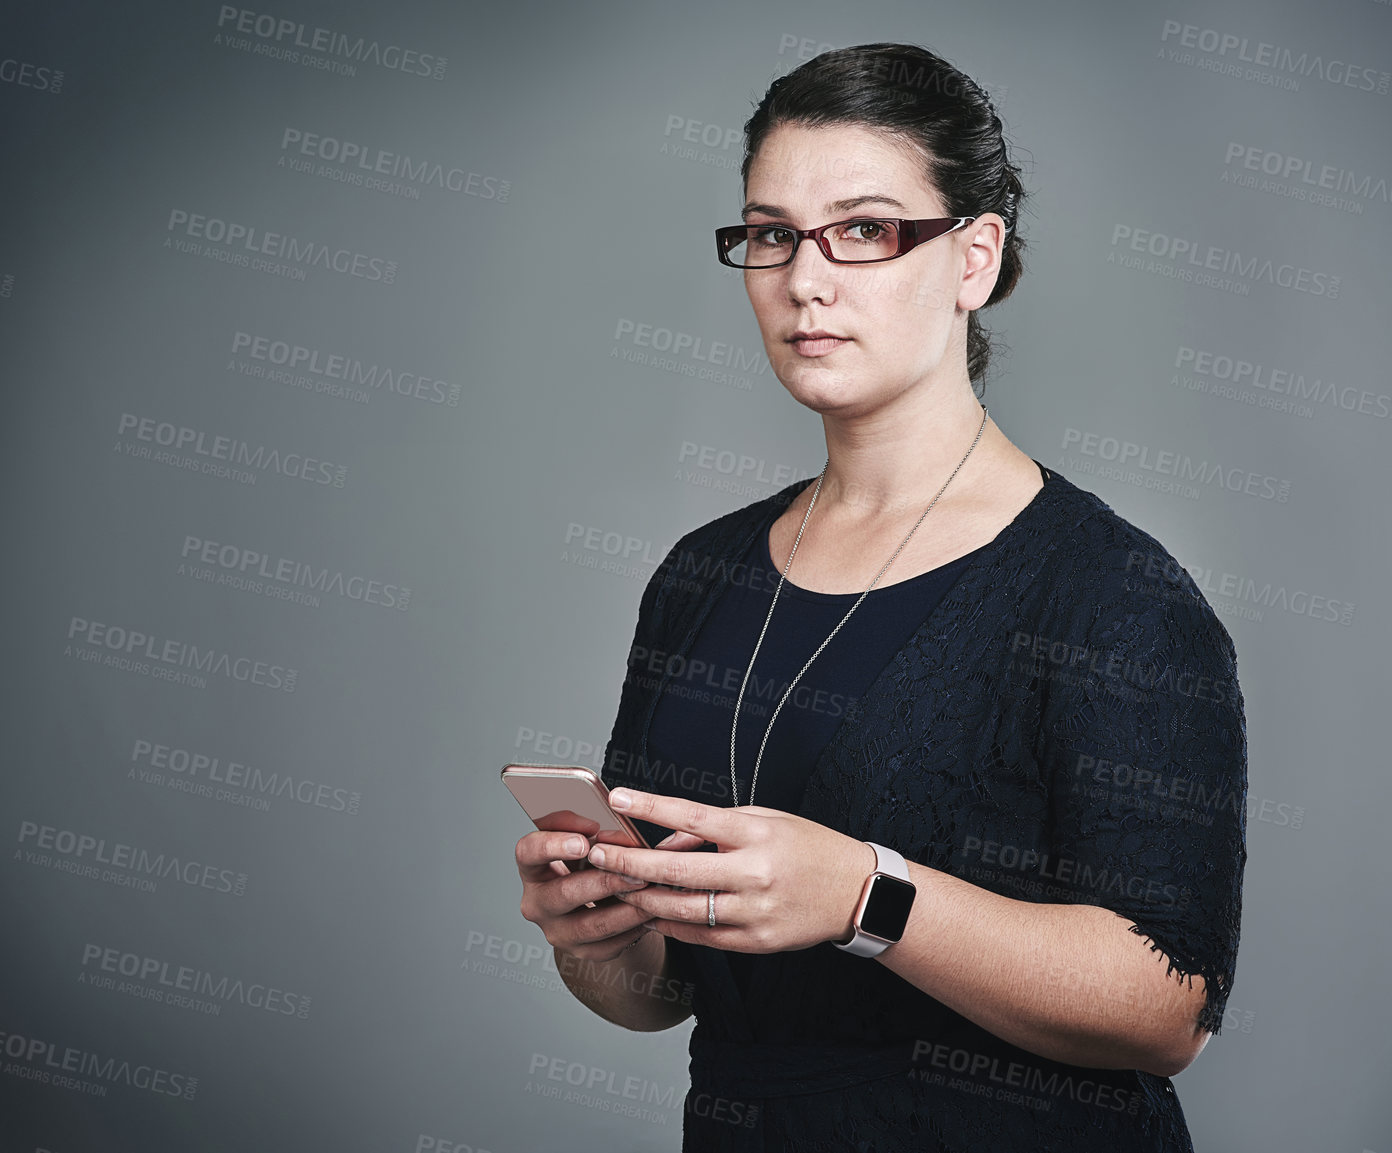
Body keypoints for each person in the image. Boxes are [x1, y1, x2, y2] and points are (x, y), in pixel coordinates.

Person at [514, 42, 1247, 1152]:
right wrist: (600, 937)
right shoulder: (700, 573)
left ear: (972, 258)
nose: (804, 279)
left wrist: (869, 895)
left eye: (863, 229)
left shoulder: (1110, 594)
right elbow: (663, 999)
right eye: (771, 234)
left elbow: (1170, 1007)